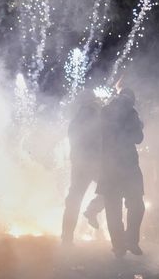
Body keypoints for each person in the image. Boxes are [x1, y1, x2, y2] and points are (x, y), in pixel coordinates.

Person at [96, 87, 145, 257]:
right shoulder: (131, 113)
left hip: (109, 167)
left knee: (113, 209)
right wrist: (139, 126)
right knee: (136, 205)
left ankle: (118, 246)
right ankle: (131, 241)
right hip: (128, 165)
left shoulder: (105, 111)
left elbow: (99, 136)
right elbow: (138, 138)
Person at [61, 90, 105, 245]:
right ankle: (92, 210)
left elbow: (74, 138)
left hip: (79, 163)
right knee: (110, 189)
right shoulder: (96, 115)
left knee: (74, 199)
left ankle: (66, 237)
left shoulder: (77, 118)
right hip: (93, 163)